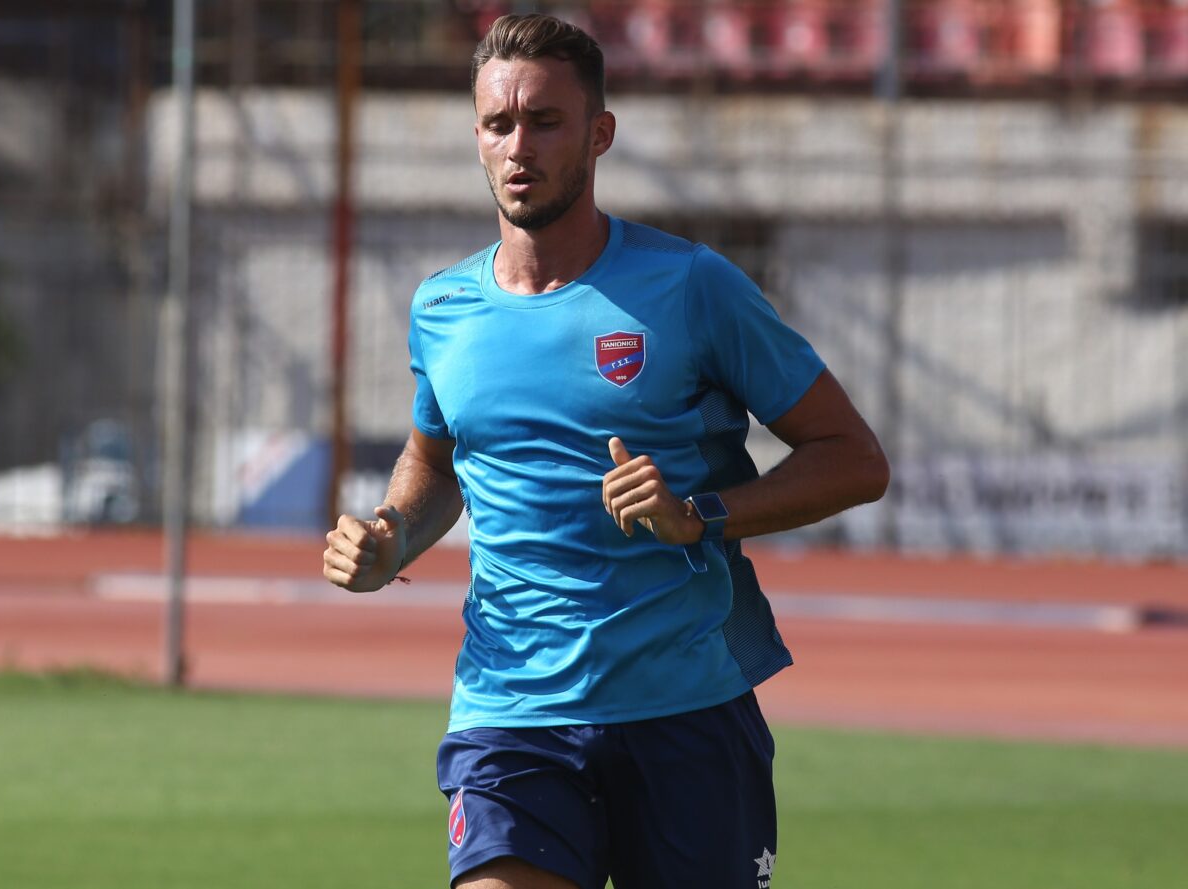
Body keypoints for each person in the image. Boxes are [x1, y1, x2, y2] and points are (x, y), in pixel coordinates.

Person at [323, 13, 889, 889]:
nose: (519, 146)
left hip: (686, 707)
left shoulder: (692, 285)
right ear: (477, 138)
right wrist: (391, 535)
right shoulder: (442, 308)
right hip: (511, 710)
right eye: (499, 124)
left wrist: (698, 514)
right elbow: (435, 462)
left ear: (599, 134)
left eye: (545, 121)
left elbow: (853, 457)